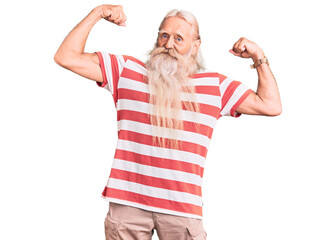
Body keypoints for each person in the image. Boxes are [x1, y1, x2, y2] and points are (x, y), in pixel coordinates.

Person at [54, 4, 281, 240]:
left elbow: (271, 105)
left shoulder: (215, 87)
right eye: (164, 35)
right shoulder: (125, 71)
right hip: (127, 203)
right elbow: (65, 56)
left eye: (178, 38)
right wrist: (98, 13)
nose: (168, 44)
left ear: (195, 46)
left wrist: (258, 56)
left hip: (182, 208)